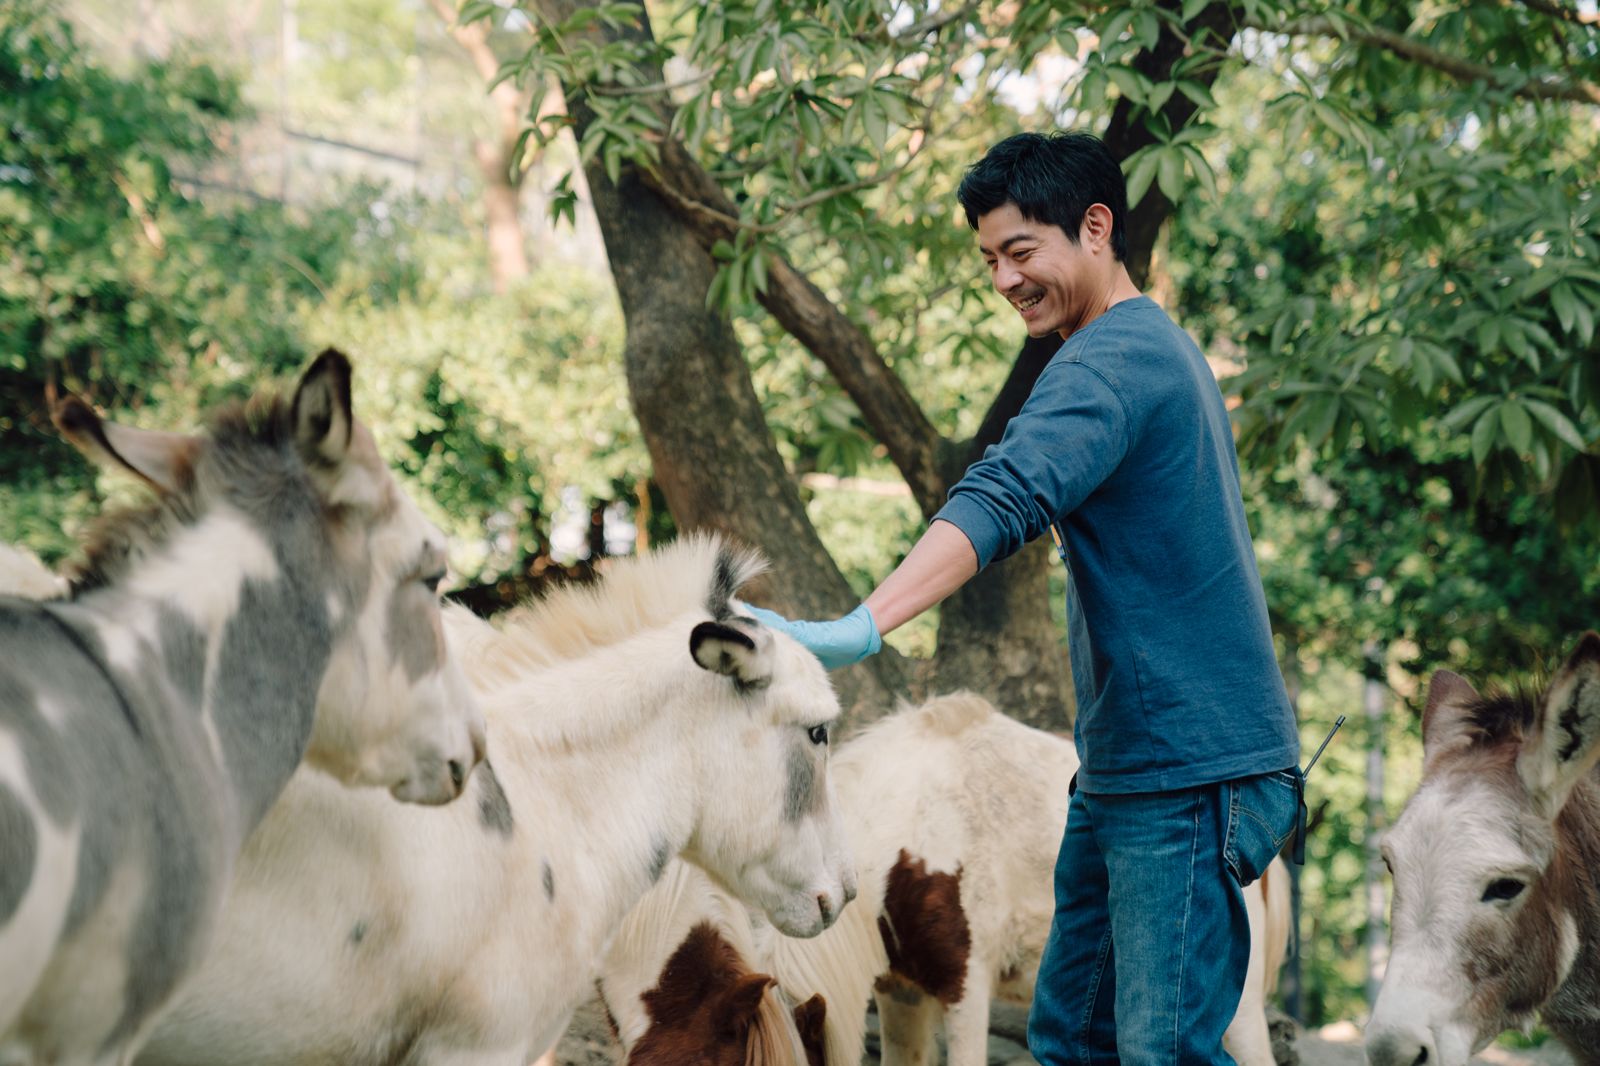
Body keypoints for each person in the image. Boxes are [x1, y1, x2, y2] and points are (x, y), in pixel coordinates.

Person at [745, 131, 1301, 1064]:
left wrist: (860, 627)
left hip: (1190, 773)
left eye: (1021, 251)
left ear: (1094, 228)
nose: (1004, 278)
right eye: (989, 259)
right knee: (1072, 1037)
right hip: (1130, 766)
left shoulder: (1114, 361)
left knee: (1160, 1050)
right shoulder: (1136, 348)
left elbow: (1003, 495)